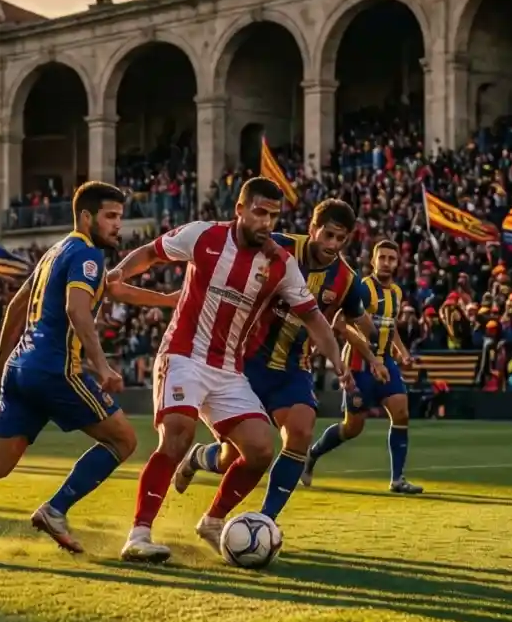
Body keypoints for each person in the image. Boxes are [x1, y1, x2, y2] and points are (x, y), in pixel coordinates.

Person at [0, 182, 176, 555]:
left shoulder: (54, 253)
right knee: (124, 440)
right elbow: (76, 309)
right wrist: (103, 366)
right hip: (55, 370)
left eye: (120, 217)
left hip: (19, 369)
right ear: (86, 217)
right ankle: (55, 510)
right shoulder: (88, 255)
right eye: (110, 216)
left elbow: (18, 305)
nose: (117, 225)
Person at [106, 177, 353, 562]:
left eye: (273, 215)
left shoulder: (280, 263)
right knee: (178, 434)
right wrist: (119, 274)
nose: (266, 222)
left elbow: (314, 318)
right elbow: (152, 252)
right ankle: (139, 534)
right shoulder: (203, 235)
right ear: (240, 210)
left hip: (228, 369)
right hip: (184, 355)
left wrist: (337, 359)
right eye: (259, 212)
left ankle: (212, 521)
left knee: (260, 450)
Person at [171, 198, 374, 532]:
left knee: (301, 431)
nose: (333, 245)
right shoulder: (277, 247)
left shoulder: (347, 280)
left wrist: (370, 343)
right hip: (245, 364)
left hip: (293, 370)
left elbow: (353, 320)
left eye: (341, 239)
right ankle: (197, 457)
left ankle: (261, 521)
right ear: (313, 228)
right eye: (328, 235)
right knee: (231, 458)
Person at [304, 239, 423, 494]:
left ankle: (397, 479)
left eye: (392, 258)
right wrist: (372, 358)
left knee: (401, 413)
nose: (387, 263)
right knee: (352, 427)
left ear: (398, 263)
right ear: (373, 261)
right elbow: (340, 324)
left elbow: (390, 326)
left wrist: (402, 353)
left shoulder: (397, 292)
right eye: (382, 258)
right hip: (359, 364)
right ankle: (313, 454)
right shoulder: (362, 288)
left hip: (385, 362)